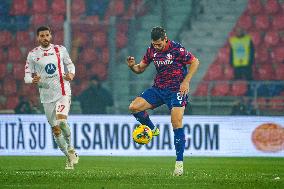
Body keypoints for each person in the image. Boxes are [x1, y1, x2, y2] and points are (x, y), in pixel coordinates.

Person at [126, 26, 200, 176]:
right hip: (159, 88)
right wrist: (132, 66)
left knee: (176, 122)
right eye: (154, 44)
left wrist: (186, 82)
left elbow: (195, 62)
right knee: (134, 107)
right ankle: (153, 130)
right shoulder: (151, 50)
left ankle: (179, 164)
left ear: (165, 38)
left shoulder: (177, 49)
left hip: (176, 90)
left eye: (159, 44)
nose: (157, 47)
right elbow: (140, 69)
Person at [24, 26, 79, 170]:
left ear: (51, 36)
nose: (45, 38)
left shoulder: (60, 49)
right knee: (55, 130)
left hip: (63, 91)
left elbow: (70, 64)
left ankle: (72, 148)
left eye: (47, 35)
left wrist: (71, 74)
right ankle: (68, 157)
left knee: (61, 120)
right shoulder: (32, 54)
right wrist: (32, 80)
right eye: (42, 36)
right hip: (46, 97)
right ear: (37, 38)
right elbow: (26, 76)